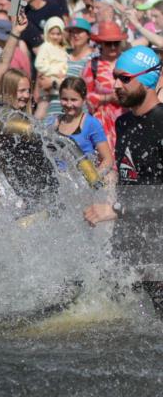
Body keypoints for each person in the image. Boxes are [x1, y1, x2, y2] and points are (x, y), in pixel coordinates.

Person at [82, 46, 163, 315]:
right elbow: (129, 180)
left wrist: (115, 210)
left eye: (125, 78)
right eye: (115, 77)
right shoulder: (123, 123)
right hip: (128, 240)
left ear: (149, 79)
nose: (115, 85)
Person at [51, 76, 115, 186]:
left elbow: (108, 159)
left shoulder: (91, 124)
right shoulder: (54, 122)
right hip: (59, 182)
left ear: (84, 99)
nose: (69, 104)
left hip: (81, 181)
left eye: (74, 100)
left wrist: (93, 179)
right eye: (65, 99)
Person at [82, 21, 126, 150]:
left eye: (116, 43)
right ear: (101, 44)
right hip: (103, 122)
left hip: (127, 117)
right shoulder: (92, 65)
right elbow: (85, 96)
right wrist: (108, 98)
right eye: (108, 43)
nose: (113, 47)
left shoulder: (129, 62)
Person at [34, 16, 68, 116]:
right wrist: (54, 71)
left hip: (59, 86)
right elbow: (39, 64)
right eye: (52, 33)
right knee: (42, 111)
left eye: (58, 34)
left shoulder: (62, 48)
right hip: (48, 82)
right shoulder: (45, 47)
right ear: (47, 33)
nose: (55, 36)